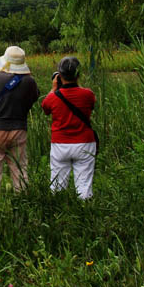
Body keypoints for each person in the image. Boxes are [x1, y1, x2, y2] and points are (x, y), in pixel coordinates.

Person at [0, 46, 39, 197]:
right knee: (19, 168)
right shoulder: (30, 81)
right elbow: (35, 96)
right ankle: (23, 200)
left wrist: (1, 71)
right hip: (19, 129)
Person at [41, 56, 97, 199]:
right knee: (84, 183)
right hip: (85, 143)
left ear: (59, 75)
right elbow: (91, 105)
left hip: (60, 144)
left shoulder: (53, 97)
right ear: (78, 74)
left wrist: (54, 89)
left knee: (58, 184)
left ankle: (59, 210)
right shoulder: (88, 94)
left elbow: (45, 108)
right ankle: (85, 208)